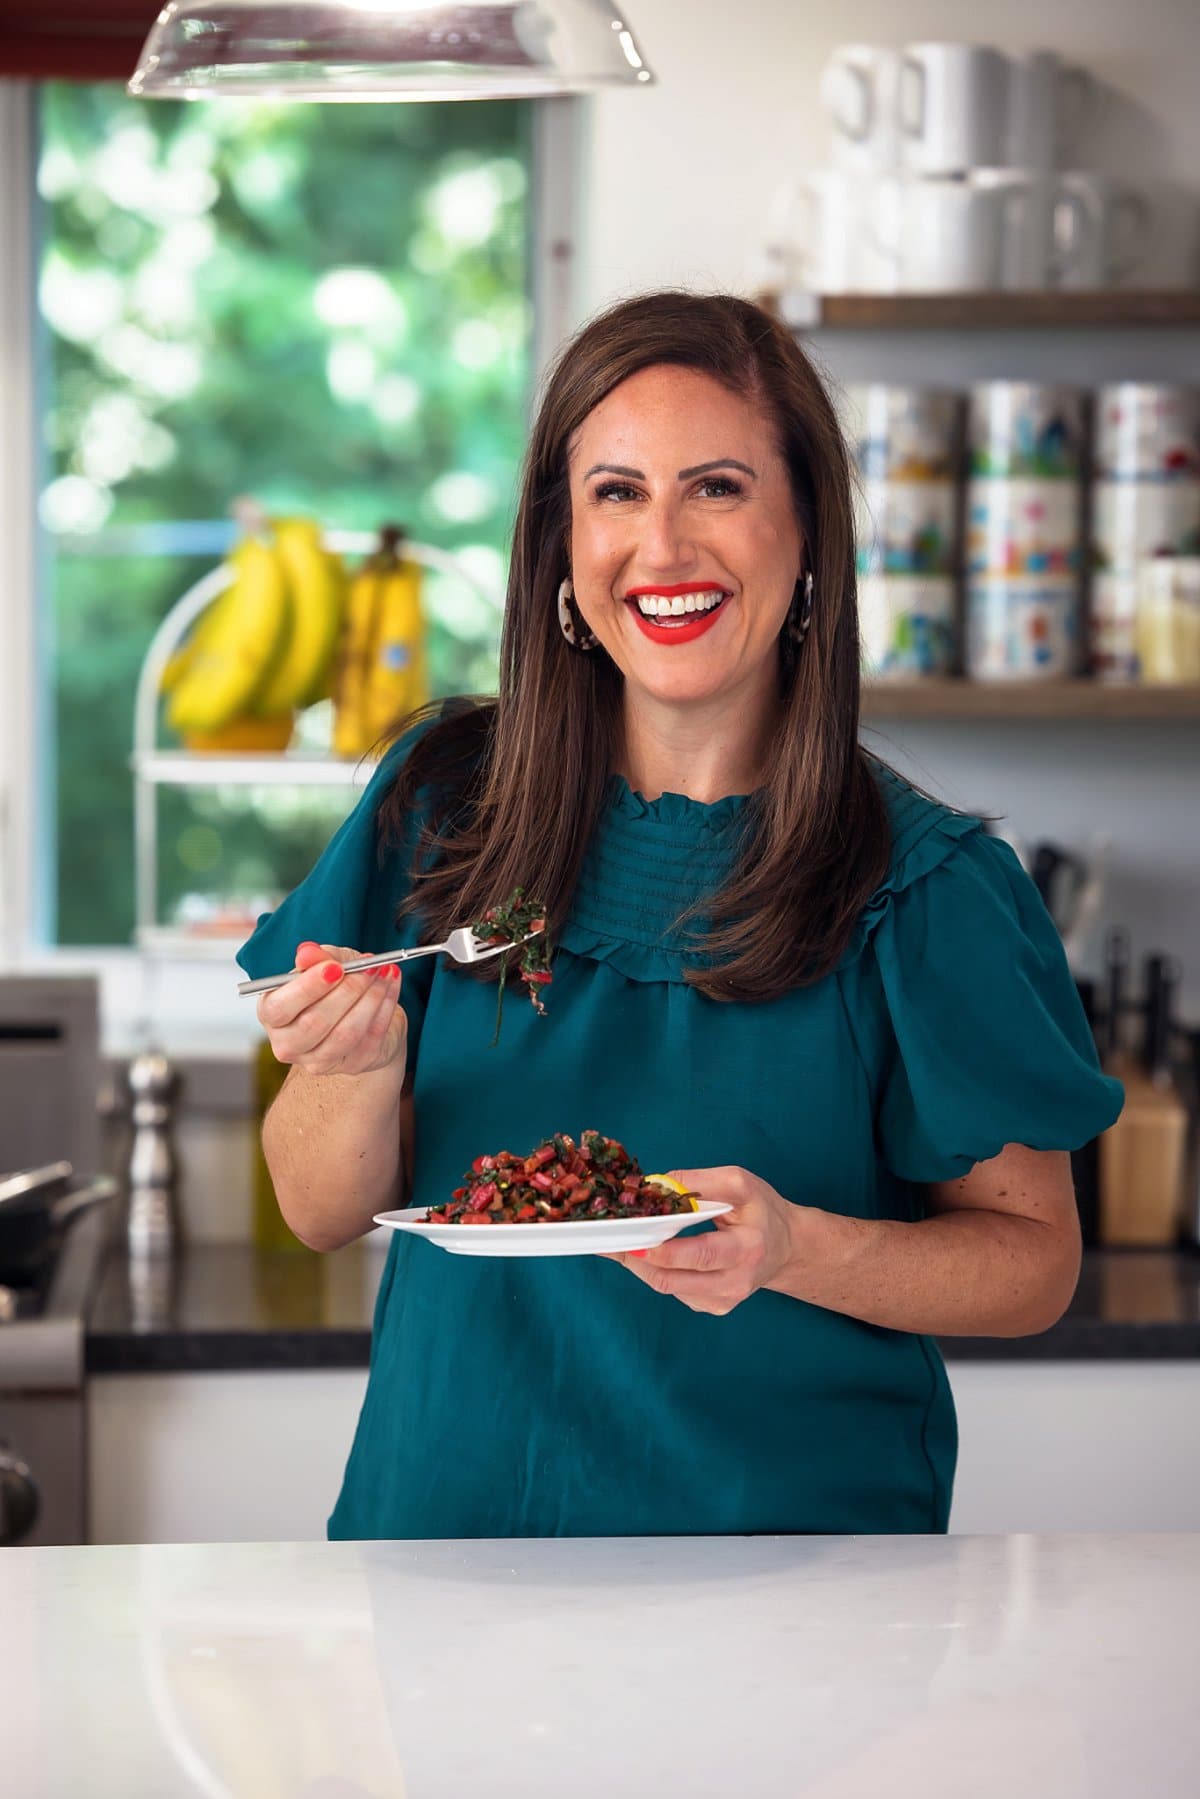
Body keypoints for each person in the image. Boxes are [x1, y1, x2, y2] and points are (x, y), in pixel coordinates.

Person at [238, 291, 1123, 1539]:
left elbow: (1033, 1262)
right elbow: (320, 1208)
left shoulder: (926, 881)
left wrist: (795, 1246)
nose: (661, 548)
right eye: (614, 492)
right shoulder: (439, 806)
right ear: (558, 541)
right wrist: (361, 1065)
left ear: (806, 530)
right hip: (450, 1547)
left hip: (808, 1583)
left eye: (715, 487)